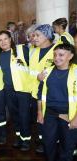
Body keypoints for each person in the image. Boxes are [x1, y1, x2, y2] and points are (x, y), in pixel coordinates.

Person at [36, 43, 77, 161]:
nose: (57, 58)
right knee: (48, 142)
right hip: (50, 114)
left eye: (61, 55)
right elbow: (40, 94)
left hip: (69, 115)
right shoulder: (47, 72)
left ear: (70, 56)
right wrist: (40, 112)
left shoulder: (76, 72)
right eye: (55, 55)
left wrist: (75, 118)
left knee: (67, 144)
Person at [0, 30, 32, 150]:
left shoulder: (22, 50)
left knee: (24, 115)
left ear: (10, 39)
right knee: (15, 115)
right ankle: (18, 137)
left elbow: (32, 67)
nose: (3, 42)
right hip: (8, 90)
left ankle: (26, 139)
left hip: (23, 89)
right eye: (0, 40)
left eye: (5, 39)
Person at [30, 24, 57, 153]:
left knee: (51, 121)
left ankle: (52, 143)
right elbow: (31, 71)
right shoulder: (34, 51)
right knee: (39, 118)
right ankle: (42, 141)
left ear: (47, 36)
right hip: (37, 93)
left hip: (53, 95)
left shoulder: (57, 50)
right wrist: (37, 77)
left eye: (37, 35)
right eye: (34, 35)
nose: (34, 38)